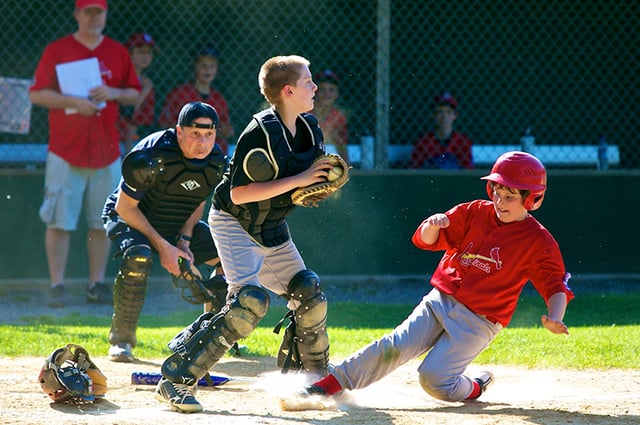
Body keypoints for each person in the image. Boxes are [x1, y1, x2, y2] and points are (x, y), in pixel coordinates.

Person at [297, 151, 574, 404]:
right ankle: (330, 384)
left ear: (532, 198)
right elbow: (429, 240)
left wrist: (556, 317)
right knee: (397, 344)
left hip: (478, 321)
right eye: (496, 191)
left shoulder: (538, 241)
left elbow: (554, 284)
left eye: (510, 196)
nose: (500, 201)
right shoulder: (474, 211)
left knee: (433, 380)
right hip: (440, 300)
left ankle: (476, 386)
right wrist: (431, 225)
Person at [154, 55, 336, 413]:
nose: (314, 87)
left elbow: (297, 187)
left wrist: (315, 189)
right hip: (234, 221)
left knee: (308, 294)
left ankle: (308, 382)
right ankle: (175, 381)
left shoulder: (310, 129)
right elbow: (239, 194)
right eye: (308, 82)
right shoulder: (261, 131)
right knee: (248, 302)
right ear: (287, 91)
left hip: (270, 226)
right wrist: (300, 181)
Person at [29, 0, 141, 308]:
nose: (93, 17)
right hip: (66, 150)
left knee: (102, 221)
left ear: (105, 15)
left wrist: (113, 92)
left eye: (99, 12)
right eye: (88, 11)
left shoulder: (117, 51)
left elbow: (134, 92)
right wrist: (74, 102)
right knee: (59, 220)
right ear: (77, 14)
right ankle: (57, 285)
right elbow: (37, 93)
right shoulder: (58, 49)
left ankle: (96, 283)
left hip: (106, 151)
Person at [101, 101, 228, 362]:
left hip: (174, 225)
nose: (202, 142)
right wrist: (164, 248)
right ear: (179, 131)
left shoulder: (215, 161)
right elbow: (125, 207)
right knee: (139, 256)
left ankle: (211, 340)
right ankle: (121, 340)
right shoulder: (153, 153)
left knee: (229, 258)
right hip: (129, 218)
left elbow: (197, 201)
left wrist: (184, 240)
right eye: (195, 133)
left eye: (209, 134)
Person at [158, 46, 234, 154]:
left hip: (214, 154)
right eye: (203, 65)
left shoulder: (219, 98)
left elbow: (227, 128)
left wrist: (226, 131)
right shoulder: (179, 93)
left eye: (212, 66)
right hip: (183, 152)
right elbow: (164, 124)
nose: (207, 69)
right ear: (194, 66)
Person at [407, 92, 474, 169]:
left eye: (448, 112)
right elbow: (413, 170)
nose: (444, 116)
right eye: (440, 112)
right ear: (433, 115)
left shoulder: (463, 142)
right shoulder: (423, 142)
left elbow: (468, 170)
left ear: (455, 115)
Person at [117, 32, 159, 154]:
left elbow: (141, 119)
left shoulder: (146, 82)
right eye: (141, 51)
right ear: (129, 53)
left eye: (149, 52)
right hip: (116, 138)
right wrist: (145, 90)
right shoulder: (120, 78)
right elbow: (127, 110)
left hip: (135, 139)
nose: (145, 56)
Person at [311, 69, 349, 163]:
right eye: (322, 89)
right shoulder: (304, 111)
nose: (327, 94)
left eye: (331, 89)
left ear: (337, 94)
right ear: (315, 92)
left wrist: (347, 169)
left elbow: (342, 147)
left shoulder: (338, 117)